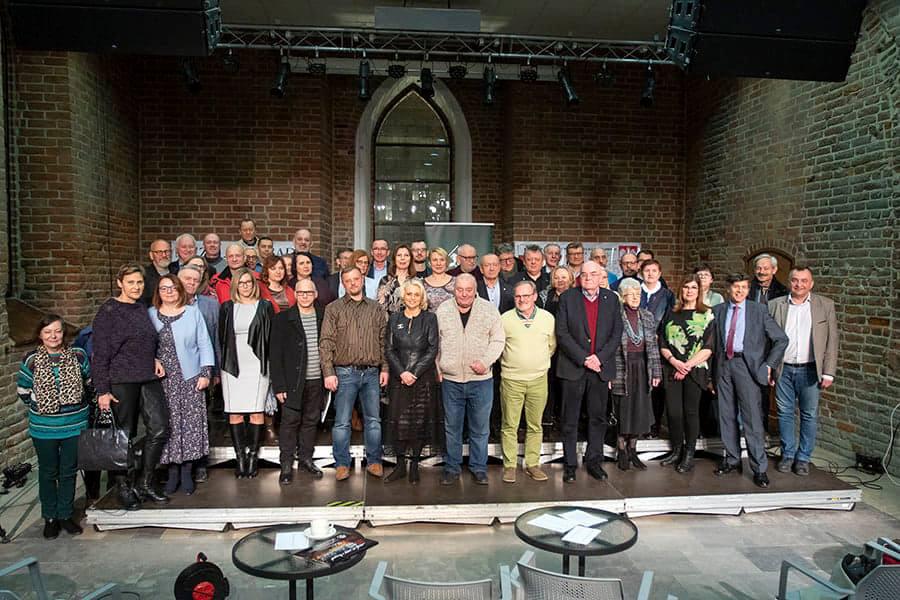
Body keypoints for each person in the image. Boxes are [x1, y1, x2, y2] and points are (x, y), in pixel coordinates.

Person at [92, 263, 169, 509]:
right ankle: (123, 485)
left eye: (139, 282)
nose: (136, 287)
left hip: (147, 376)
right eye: (131, 282)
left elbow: (145, 341)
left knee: (159, 427)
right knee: (123, 435)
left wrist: (154, 358)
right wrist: (103, 390)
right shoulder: (109, 311)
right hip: (121, 379)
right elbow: (100, 354)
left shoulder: (141, 307)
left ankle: (145, 482)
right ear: (120, 283)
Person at [17, 314, 91, 538]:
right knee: (48, 472)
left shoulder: (78, 355)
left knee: (68, 471)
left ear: (63, 333)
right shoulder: (31, 359)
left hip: (74, 425)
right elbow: (23, 391)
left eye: (57, 331)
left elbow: (88, 382)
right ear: (40, 334)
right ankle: (50, 517)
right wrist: (43, 406)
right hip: (44, 427)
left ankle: (65, 515)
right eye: (47, 332)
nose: (53, 336)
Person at [712, 273, 788, 488]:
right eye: (736, 287)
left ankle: (759, 469)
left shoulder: (758, 310)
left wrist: (769, 365)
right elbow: (712, 343)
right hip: (723, 365)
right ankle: (732, 459)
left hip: (748, 367)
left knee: (752, 419)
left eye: (744, 287)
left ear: (748, 289)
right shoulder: (718, 311)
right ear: (728, 289)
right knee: (726, 415)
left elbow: (781, 339)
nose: (740, 291)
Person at [555, 260, 623, 483]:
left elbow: (616, 333)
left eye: (593, 274)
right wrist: (584, 358)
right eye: (584, 274)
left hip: (600, 368)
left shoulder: (611, 299)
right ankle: (570, 465)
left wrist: (599, 358)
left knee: (598, 417)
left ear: (601, 276)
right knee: (570, 419)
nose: (588, 278)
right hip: (573, 367)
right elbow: (562, 333)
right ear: (579, 277)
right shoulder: (567, 298)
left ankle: (594, 461)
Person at [320, 266, 389, 481]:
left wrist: (385, 368)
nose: (353, 283)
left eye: (356, 279)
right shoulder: (334, 309)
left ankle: (375, 461)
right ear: (343, 283)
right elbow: (326, 342)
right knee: (342, 421)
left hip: (371, 373)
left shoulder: (376, 308)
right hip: (344, 372)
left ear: (362, 280)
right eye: (348, 280)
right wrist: (328, 372)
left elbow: (384, 340)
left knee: (373, 420)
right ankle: (342, 464)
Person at [436, 273, 505, 486]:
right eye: (460, 289)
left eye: (468, 290)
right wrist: (437, 367)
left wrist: (485, 362)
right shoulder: (443, 310)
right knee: (452, 428)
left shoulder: (488, 310)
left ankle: (479, 468)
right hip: (451, 380)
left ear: (475, 290)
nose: (464, 294)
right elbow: (434, 342)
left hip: (481, 380)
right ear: (454, 290)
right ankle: (452, 468)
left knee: (480, 429)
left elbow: (498, 340)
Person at [769, 266, 839, 476]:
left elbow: (832, 340)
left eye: (804, 280)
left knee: (809, 414)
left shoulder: (825, 305)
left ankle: (803, 458)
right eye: (795, 280)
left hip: (811, 369)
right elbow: (767, 340)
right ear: (789, 282)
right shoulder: (775, 305)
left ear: (811, 283)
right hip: (784, 368)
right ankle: (788, 455)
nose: (799, 284)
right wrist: (769, 367)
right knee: (784, 414)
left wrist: (829, 372)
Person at [148, 275, 214, 496]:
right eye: (164, 288)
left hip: (190, 378)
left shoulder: (193, 313)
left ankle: (187, 471)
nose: (169, 292)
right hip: (162, 381)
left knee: (190, 425)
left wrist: (205, 373)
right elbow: (143, 345)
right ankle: (172, 471)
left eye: (173, 288)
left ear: (180, 290)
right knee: (168, 425)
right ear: (158, 292)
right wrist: (152, 360)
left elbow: (204, 343)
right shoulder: (150, 315)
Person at [384, 279, 442, 485]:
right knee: (399, 423)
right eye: (409, 294)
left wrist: (414, 373)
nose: (412, 298)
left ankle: (415, 466)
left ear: (422, 297)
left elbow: (432, 349)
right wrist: (402, 373)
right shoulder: (394, 318)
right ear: (403, 296)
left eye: (416, 294)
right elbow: (389, 349)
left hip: (422, 379)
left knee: (418, 423)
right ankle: (400, 466)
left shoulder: (430, 319)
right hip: (399, 380)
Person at [270, 278, 326, 484]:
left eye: (309, 293)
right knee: (289, 422)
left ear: (315, 294)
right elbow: (275, 355)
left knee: (311, 421)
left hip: (317, 379)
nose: (305, 296)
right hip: (292, 381)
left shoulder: (324, 315)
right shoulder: (283, 319)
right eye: (301, 293)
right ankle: (286, 465)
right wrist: (279, 385)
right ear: (295, 294)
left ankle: (305, 460)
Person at [218, 268, 273, 479]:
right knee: (235, 412)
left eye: (249, 282)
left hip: (257, 365)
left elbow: (271, 337)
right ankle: (240, 456)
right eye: (241, 283)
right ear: (235, 286)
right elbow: (221, 338)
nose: (246, 286)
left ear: (254, 284)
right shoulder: (227, 307)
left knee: (257, 411)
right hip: (233, 364)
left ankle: (252, 457)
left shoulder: (264, 306)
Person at [499, 280, 556, 483]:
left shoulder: (547, 318)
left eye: (526, 295)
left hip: (538, 379)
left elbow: (551, 346)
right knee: (509, 425)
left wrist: (537, 363)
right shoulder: (504, 319)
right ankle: (510, 466)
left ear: (535, 296)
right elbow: (499, 348)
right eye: (518, 296)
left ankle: (532, 464)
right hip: (511, 379)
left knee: (535, 425)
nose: (522, 299)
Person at [658, 276, 715, 473]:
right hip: (672, 369)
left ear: (699, 291)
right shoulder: (671, 313)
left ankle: (689, 454)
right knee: (673, 413)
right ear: (681, 290)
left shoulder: (707, 314)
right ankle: (676, 450)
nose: (689, 291)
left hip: (695, 370)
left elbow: (709, 347)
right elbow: (662, 342)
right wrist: (675, 362)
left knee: (691, 412)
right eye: (686, 287)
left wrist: (687, 366)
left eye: (693, 287)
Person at [611, 278, 662, 471]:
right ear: (622, 297)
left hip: (642, 367)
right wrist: (609, 374)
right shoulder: (615, 316)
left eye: (638, 294)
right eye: (631, 294)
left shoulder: (647, 316)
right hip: (622, 367)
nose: (635, 298)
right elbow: (609, 346)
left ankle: (633, 449)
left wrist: (656, 371)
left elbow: (653, 346)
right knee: (623, 409)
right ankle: (621, 450)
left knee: (640, 409)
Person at [177, 263, 220, 483]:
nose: (191, 283)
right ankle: (178, 465)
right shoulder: (165, 306)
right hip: (174, 375)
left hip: (203, 372)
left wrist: (216, 371)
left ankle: (201, 462)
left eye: (195, 280)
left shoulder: (211, 305)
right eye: (187, 279)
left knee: (202, 420)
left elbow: (217, 339)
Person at [540, 266, 574, 429]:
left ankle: (564, 419)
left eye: (564, 277)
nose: (560, 280)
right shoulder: (544, 296)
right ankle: (548, 419)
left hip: (570, 347)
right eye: (557, 277)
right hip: (549, 347)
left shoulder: (576, 296)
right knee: (549, 383)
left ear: (571, 279)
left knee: (566, 385)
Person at [377, 244, 417, 314]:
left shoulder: (416, 281)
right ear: (394, 259)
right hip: (389, 320)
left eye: (406, 255)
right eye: (399, 255)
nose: (402, 258)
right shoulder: (385, 280)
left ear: (410, 259)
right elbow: (381, 306)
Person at [141, 239, 172, 305]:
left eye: (167, 251)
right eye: (159, 252)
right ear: (151, 255)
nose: (164, 255)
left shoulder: (177, 272)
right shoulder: (144, 275)